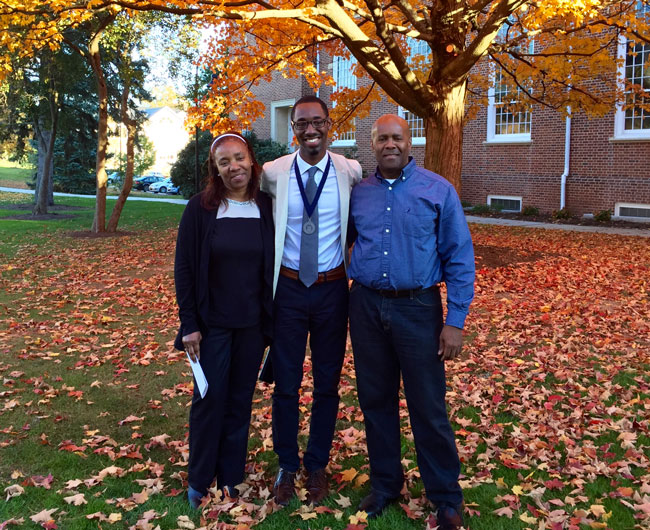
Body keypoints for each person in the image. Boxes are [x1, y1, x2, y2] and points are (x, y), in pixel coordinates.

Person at [347, 114, 475, 530]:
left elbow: (459, 255)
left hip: (418, 309)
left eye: (396, 138)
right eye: (382, 138)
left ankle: (445, 498)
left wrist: (455, 320)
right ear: (372, 143)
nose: (389, 145)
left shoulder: (438, 191)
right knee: (375, 402)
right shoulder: (358, 194)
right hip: (365, 307)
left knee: (428, 405)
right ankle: (386, 485)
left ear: (409, 141)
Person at [261, 95, 362, 506]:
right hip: (286, 289)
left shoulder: (350, 171)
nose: (310, 130)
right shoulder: (272, 172)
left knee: (327, 383)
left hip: (332, 291)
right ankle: (287, 463)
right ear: (294, 130)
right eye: (302, 124)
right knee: (285, 382)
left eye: (317, 122)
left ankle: (316, 463)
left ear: (329, 125)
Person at [174, 132, 275, 509]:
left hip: (252, 325)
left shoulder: (266, 206)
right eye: (224, 162)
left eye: (239, 158)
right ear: (215, 170)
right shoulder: (200, 208)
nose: (234, 167)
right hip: (211, 325)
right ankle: (200, 478)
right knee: (208, 399)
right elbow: (184, 269)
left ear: (252, 160)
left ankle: (231, 476)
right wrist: (189, 324)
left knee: (239, 401)